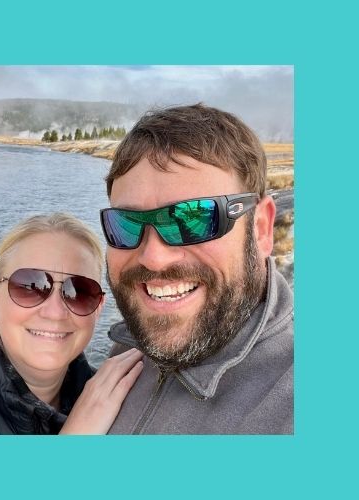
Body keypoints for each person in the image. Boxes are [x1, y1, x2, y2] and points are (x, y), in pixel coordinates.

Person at [100, 103, 293, 434]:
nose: (154, 258)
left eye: (194, 218)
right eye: (127, 224)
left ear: (261, 228)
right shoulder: (128, 347)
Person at [0, 213, 143, 434]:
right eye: (30, 287)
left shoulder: (113, 399)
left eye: (79, 292)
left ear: (98, 308)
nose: (55, 312)